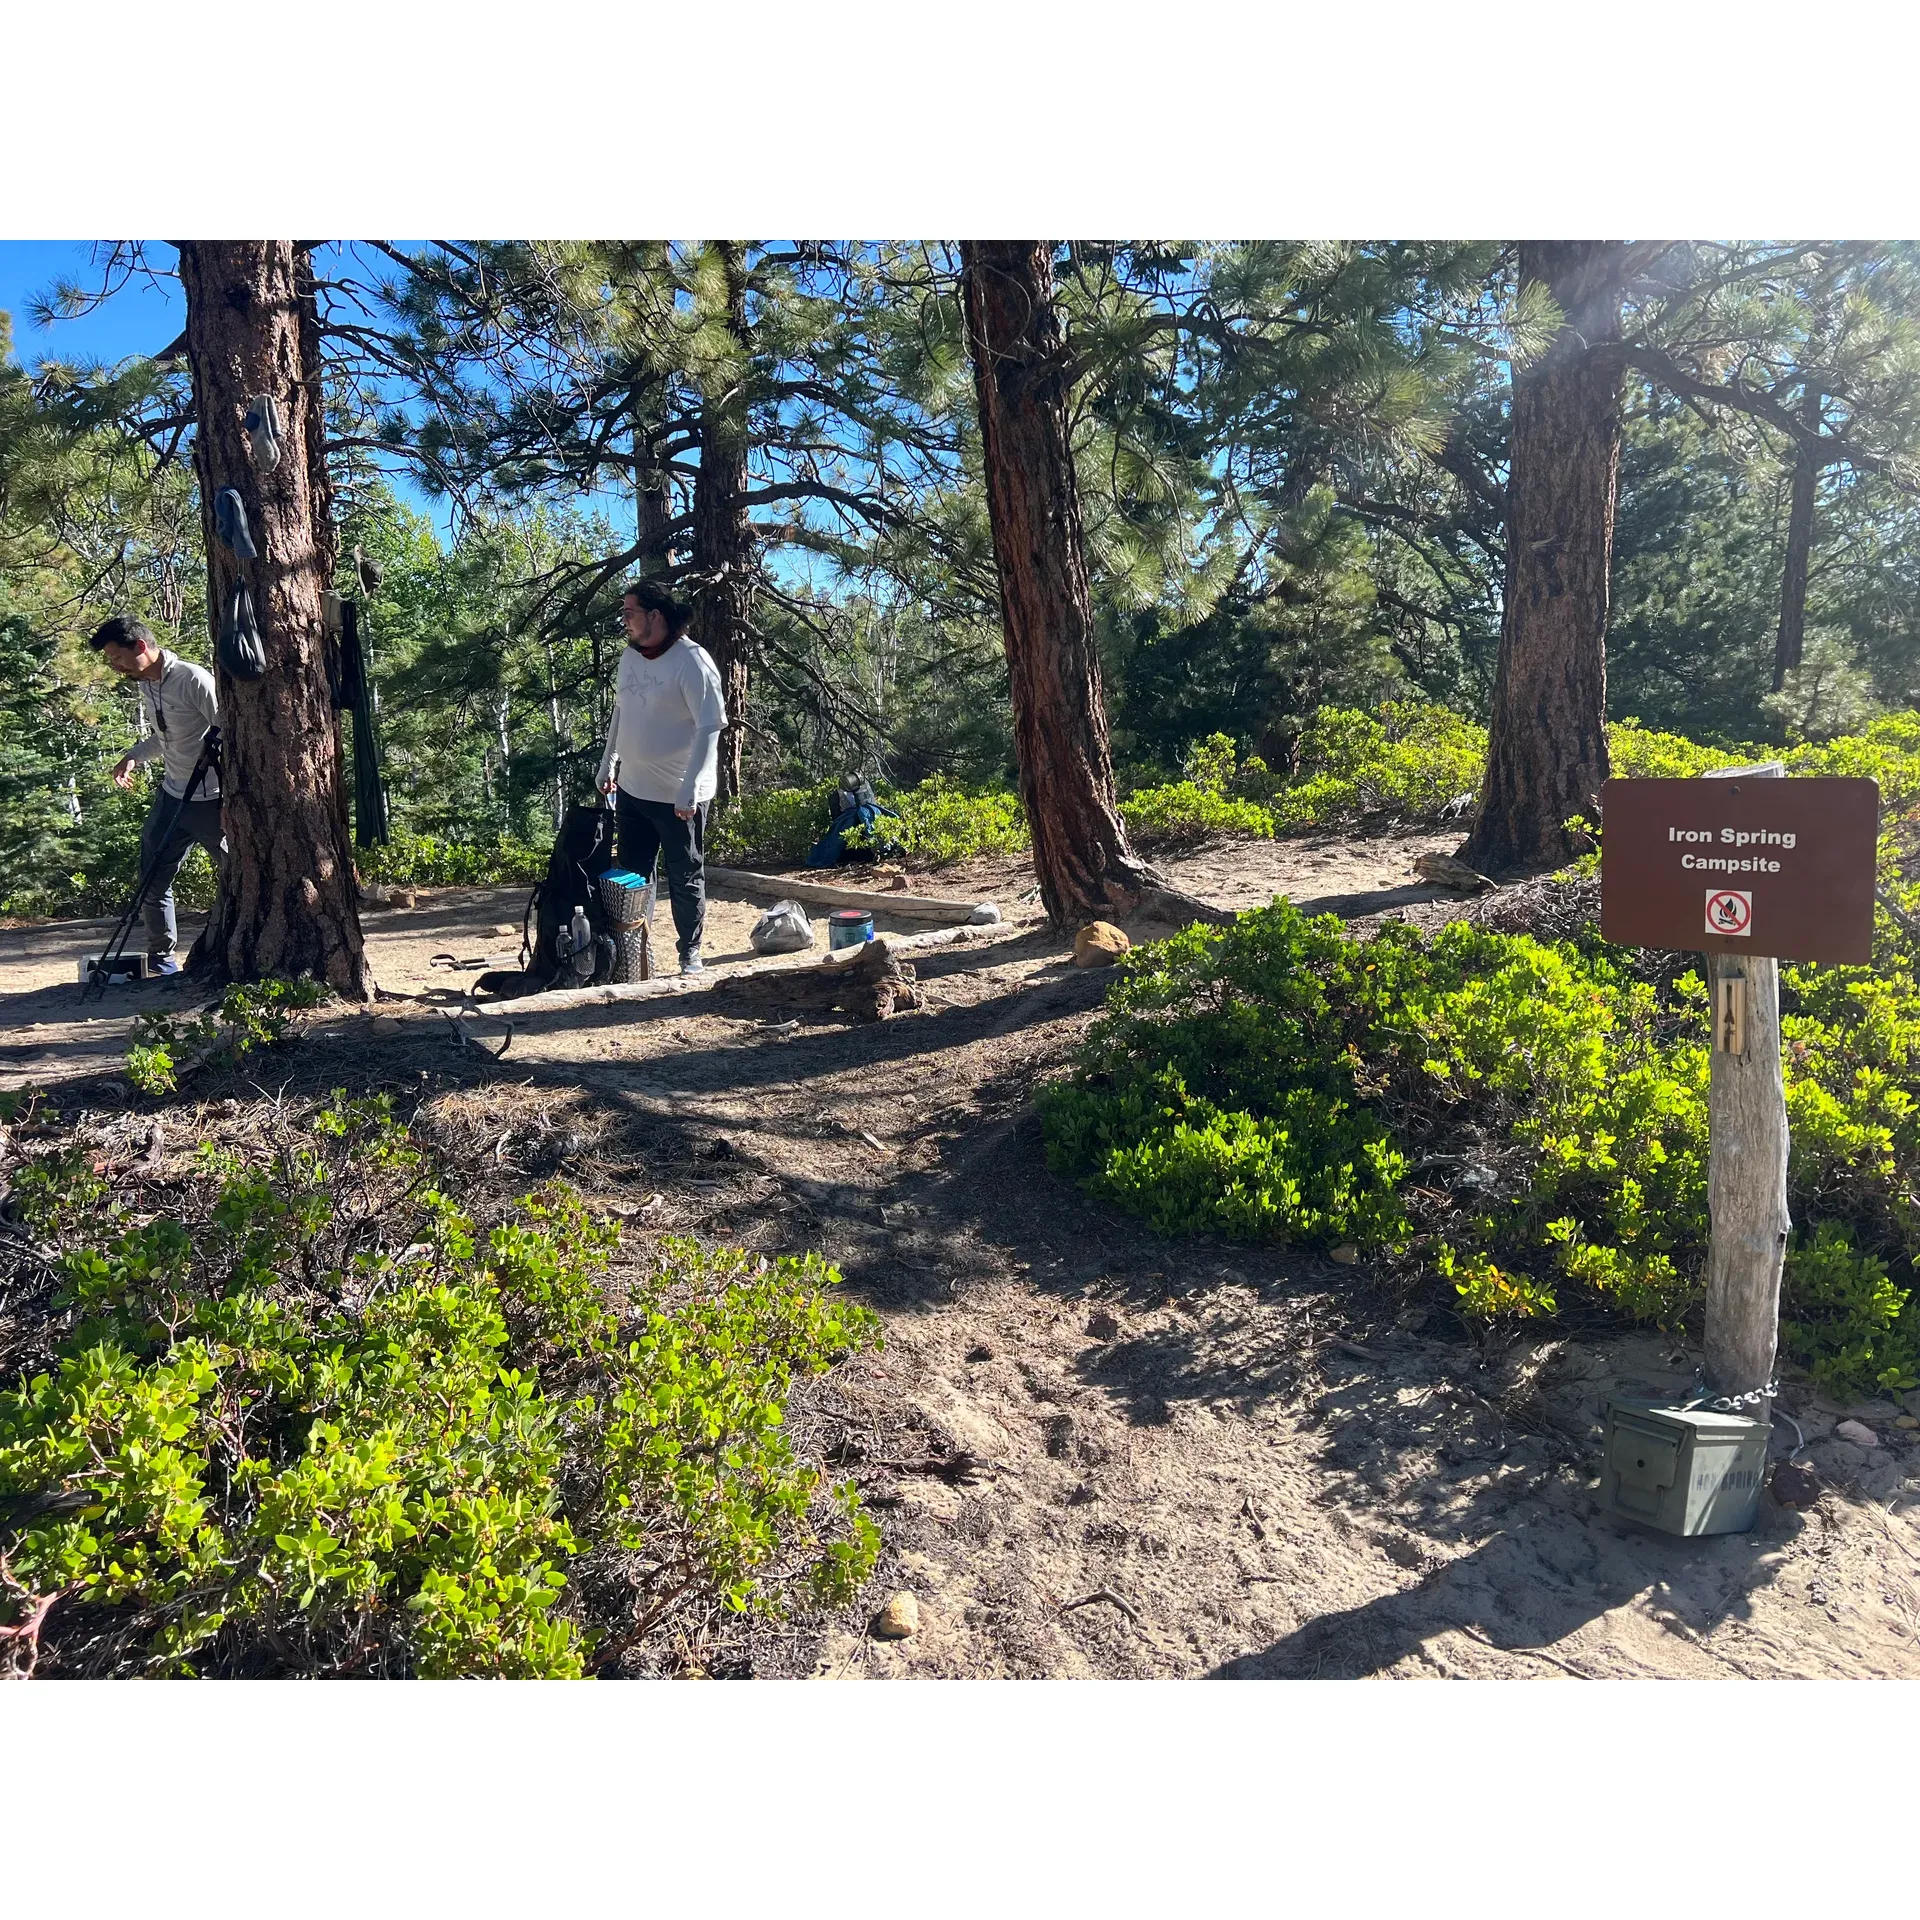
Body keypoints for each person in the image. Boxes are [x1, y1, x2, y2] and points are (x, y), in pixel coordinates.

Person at [595, 580, 727, 973]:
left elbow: (710, 727)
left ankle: (690, 952)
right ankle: (635, 957)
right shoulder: (630, 658)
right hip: (633, 788)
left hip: (678, 796)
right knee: (633, 878)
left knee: (684, 873)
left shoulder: (693, 661)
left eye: (629, 612)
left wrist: (689, 788)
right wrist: (608, 763)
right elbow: (621, 711)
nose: (625, 621)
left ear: (655, 615)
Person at [89, 615, 224, 976]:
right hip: (171, 797)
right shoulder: (146, 684)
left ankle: (227, 949)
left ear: (141, 647)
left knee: (237, 878)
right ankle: (162, 961)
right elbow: (164, 737)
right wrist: (132, 756)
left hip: (211, 801)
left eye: (117, 657)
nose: (115, 666)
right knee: (152, 878)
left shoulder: (193, 679)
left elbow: (227, 728)